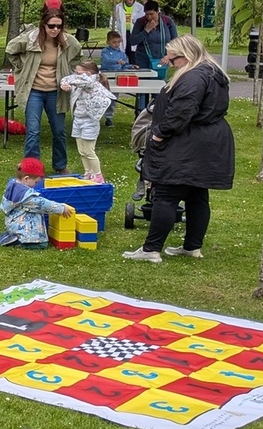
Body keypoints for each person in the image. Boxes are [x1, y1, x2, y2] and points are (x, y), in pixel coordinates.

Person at [123, 34, 234, 262]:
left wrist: (159, 133)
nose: (170, 64)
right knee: (196, 194)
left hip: (188, 142)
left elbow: (181, 111)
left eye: (173, 59)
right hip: (207, 141)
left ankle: (151, 249)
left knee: (166, 193)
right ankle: (192, 247)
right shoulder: (213, 73)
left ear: (187, 56)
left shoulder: (193, 77)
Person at [4, 5, 82, 174]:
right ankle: (32, 168)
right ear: (43, 25)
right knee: (33, 130)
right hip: (34, 91)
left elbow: (78, 56)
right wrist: (21, 67)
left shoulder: (68, 41)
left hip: (56, 92)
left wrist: (70, 72)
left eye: (59, 26)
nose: (55, 29)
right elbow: (10, 50)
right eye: (51, 26)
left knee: (59, 131)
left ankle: (60, 166)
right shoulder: (30, 39)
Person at [0, 157, 76, 247]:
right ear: (26, 179)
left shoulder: (13, 185)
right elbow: (43, 204)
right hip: (24, 230)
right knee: (41, 245)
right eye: (36, 182)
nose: (36, 185)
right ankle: (21, 241)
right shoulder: (27, 196)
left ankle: (14, 236)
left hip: (13, 224)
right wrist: (61, 208)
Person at [60, 59, 115, 181]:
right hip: (78, 120)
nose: (76, 75)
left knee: (89, 151)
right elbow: (67, 79)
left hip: (90, 121)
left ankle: (98, 176)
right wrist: (65, 84)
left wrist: (70, 82)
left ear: (89, 74)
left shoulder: (92, 83)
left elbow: (80, 81)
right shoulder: (79, 83)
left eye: (78, 73)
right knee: (82, 151)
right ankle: (88, 173)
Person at [99, 29, 131, 125]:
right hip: (105, 78)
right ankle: (97, 115)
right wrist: (117, 61)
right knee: (102, 97)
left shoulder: (122, 53)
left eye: (118, 42)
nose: (116, 44)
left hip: (117, 78)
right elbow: (106, 61)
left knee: (113, 98)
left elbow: (125, 64)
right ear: (108, 42)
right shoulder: (105, 51)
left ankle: (109, 118)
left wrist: (130, 66)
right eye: (114, 42)